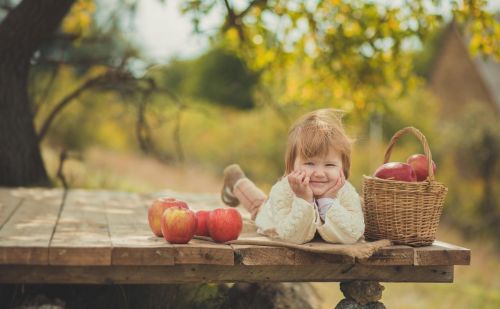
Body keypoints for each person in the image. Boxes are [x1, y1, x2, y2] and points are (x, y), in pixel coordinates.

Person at [220, 108, 365, 245]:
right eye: (309, 163)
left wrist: (327, 201)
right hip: (271, 213)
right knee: (258, 207)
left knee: (261, 202)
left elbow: (353, 233)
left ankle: (237, 180)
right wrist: (304, 200)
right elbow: (293, 237)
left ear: (343, 169)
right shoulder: (283, 191)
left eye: (330, 165)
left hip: (285, 206)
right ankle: (237, 181)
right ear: (291, 167)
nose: (319, 174)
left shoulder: (346, 192)